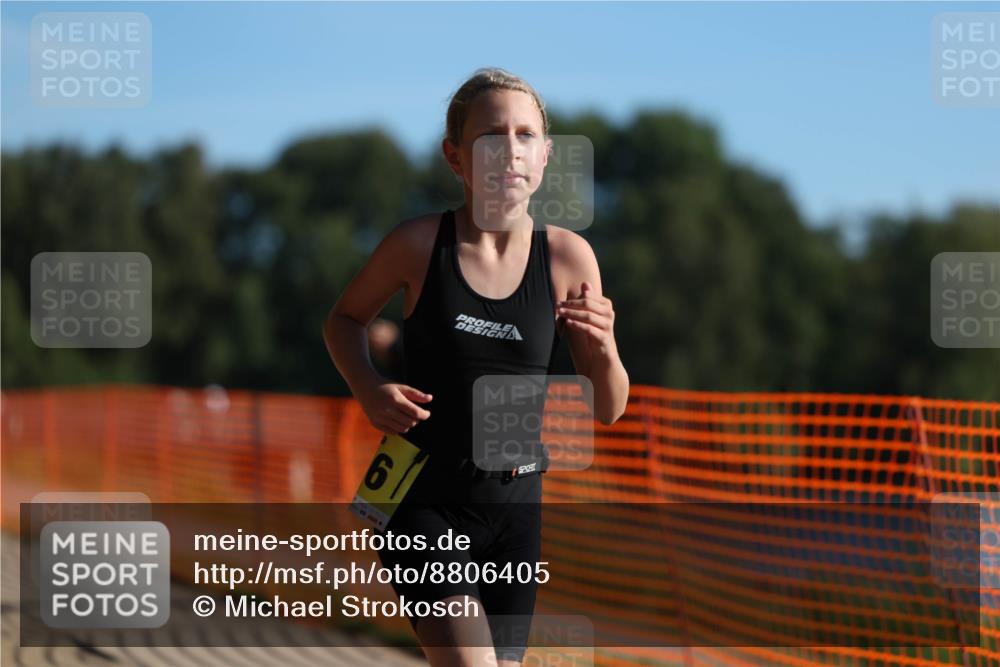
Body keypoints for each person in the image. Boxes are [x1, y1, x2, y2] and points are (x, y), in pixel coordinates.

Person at [322, 67, 629, 667]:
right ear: (456, 156)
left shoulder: (568, 257)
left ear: (544, 156)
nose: (509, 150)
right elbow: (343, 320)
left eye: (524, 135)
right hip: (424, 497)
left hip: (515, 507)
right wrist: (369, 387)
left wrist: (608, 348)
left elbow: (611, 408)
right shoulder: (418, 244)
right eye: (491, 136)